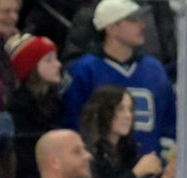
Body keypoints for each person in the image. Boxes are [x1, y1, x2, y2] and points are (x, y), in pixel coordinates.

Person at [61, 0, 176, 157]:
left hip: (151, 169)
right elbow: (72, 122)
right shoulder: (84, 70)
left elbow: (169, 120)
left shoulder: (154, 68)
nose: (142, 25)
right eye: (132, 20)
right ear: (111, 27)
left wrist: (165, 160)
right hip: (102, 170)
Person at [4, 33, 62, 178]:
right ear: (32, 67)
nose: (58, 65)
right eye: (49, 60)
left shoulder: (55, 103)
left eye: (56, 58)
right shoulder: (19, 108)